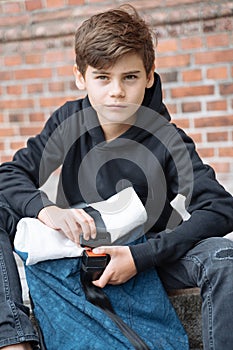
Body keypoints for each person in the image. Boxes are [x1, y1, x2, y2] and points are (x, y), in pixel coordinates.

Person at [0, 4, 233, 350]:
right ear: (81, 77)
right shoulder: (71, 122)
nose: (117, 92)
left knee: (223, 258)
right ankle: (14, 338)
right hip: (80, 252)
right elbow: (11, 174)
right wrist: (44, 208)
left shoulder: (166, 138)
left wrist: (143, 256)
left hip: (151, 253)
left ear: (149, 75)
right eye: (103, 77)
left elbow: (220, 207)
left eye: (130, 77)